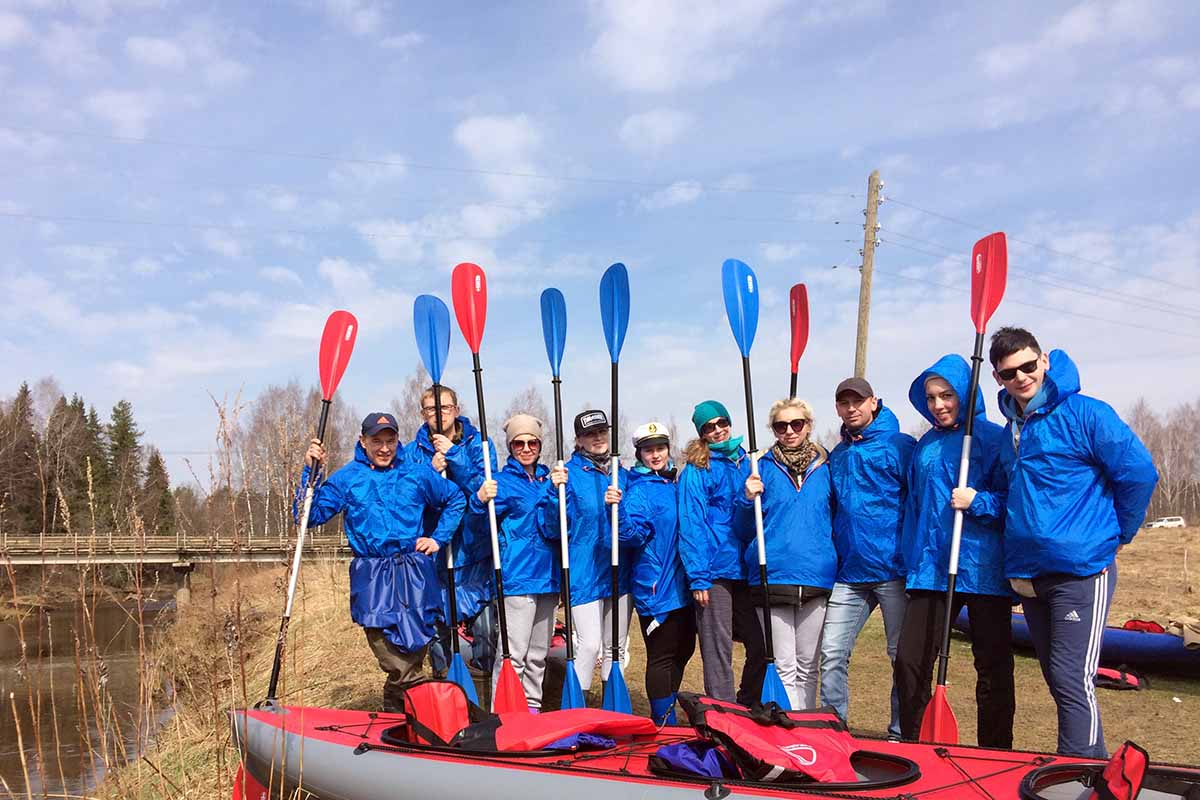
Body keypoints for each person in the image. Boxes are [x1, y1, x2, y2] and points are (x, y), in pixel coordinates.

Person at [985, 327, 1157, 758]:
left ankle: (1077, 773)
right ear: (997, 378)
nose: (1022, 377)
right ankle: (1089, 765)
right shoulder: (1012, 431)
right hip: (1030, 575)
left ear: (1043, 361)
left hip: (1080, 570)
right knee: (1058, 678)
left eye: (1028, 365)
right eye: (1010, 373)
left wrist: (1119, 534)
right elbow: (1014, 499)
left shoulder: (1087, 414)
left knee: (1070, 679)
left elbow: (1139, 473)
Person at [299, 412, 465, 711]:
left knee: (414, 653)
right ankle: (423, 716)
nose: (385, 448)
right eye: (377, 441)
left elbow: (455, 499)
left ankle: (401, 719)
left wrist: (437, 538)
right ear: (363, 442)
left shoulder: (416, 473)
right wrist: (311, 472)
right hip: (373, 576)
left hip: (415, 573)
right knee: (394, 660)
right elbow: (308, 516)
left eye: (390, 440)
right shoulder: (348, 479)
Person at [893, 355, 1014, 746]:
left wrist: (977, 501)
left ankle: (996, 751)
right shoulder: (925, 445)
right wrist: (912, 559)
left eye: (947, 395)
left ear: (965, 394)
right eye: (931, 397)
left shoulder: (995, 439)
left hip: (982, 571)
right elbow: (915, 507)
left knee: (993, 668)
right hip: (931, 569)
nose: (938, 405)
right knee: (910, 662)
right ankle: (916, 743)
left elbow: (1013, 504)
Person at [821, 377, 915, 738]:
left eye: (858, 401)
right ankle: (833, 730)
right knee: (831, 653)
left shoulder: (901, 446)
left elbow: (920, 501)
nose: (851, 408)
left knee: (899, 658)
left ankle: (899, 733)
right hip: (850, 573)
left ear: (874, 402)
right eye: (844, 403)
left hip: (893, 570)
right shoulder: (839, 455)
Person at [739, 398, 836, 710]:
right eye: (782, 426)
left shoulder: (826, 466)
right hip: (773, 575)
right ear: (774, 429)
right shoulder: (760, 468)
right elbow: (742, 525)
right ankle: (791, 734)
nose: (790, 431)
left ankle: (807, 730)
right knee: (783, 665)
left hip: (816, 574)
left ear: (808, 425)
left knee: (808, 666)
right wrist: (746, 497)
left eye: (797, 424)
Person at [678, 400, 767, 705]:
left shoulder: (746, 462)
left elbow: (746, 516)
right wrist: (698, 577)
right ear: (702, 433)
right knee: (718, 649)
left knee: (760, 643)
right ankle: (724, 711)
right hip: (714, 570)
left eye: (721, 423)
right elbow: (692, 523)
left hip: (743, 567)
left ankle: (747, 702)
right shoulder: (697, 468)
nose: (717, 430)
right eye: (709, 427)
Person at [404, 385, 498, 678]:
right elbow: (408, 498)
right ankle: (443, 678)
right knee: (437, 619)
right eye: (431, 409)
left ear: (456, 410)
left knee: (484, 623)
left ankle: (484, 681)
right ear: (423, 414)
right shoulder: (412, 452)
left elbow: (484, 489)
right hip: (434, 549)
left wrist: (455, 457)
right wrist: (431, 472)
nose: (438, 414)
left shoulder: (479, 444)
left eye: (444, 408)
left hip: (473, 546)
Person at [470, 414, 559, 710]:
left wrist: (561, 489)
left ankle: (531, 710)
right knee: (513, 654)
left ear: (539, 444)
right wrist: (480, 501)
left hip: (548, 578)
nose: (526, 447)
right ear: (510, 446)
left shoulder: (551, 478)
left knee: (537, 655)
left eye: (532, 442)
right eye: (518, 443)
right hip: (516, 579)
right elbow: (480, 527)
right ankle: (503, 713)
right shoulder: (501, 482)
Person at [542, 410, 631, 692]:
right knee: (590, 645)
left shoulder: (623, 474)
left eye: (602, 431)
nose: (597, 438)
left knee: (615, 648)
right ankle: (576, 708)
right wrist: (553, 492)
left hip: (619, 571)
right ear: (578, 440)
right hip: (584, 572)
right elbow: (553, 528)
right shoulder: (568, 475)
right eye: (589, 434)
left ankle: (610, 706)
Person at [615, 421, 695, 724]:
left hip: (682, 586)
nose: (656, 455)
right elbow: (630, 536)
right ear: (640, 454)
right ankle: (663, 720)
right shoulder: (639, 492)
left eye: (660, 448)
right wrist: (619, 511)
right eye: (649, 450)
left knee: (684, 649)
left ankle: (668, 708)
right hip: (655, 587)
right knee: (662, 656)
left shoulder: (673, 484)